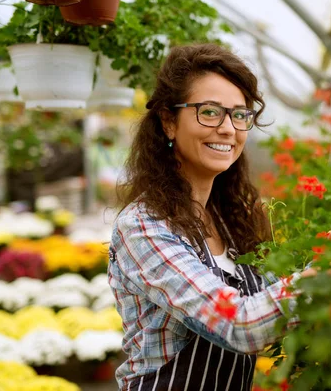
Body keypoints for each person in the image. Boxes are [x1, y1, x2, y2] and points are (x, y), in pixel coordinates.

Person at [108, 43, 317, 391]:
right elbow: (240, 325)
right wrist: (325, 274)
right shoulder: (144, 227)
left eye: (239, 114)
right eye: (209, 112)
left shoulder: (231, 220)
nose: (228, 129)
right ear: (168, 121)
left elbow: (274, 305)